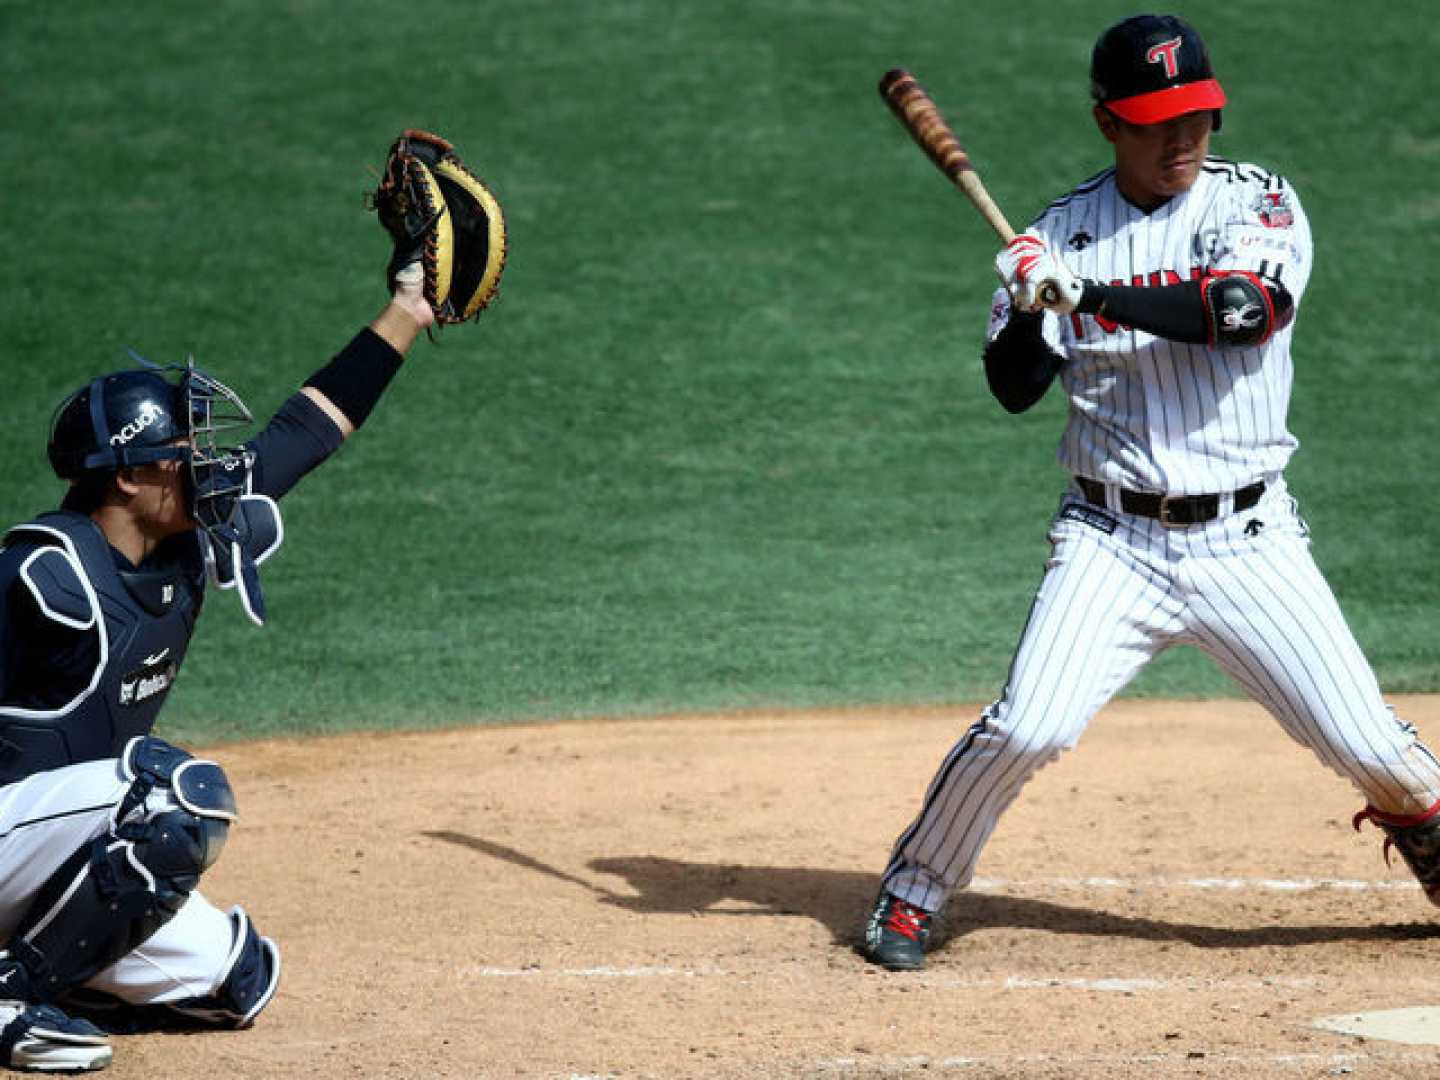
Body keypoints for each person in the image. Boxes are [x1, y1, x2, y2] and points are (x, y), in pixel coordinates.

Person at [862, 13, 1440, 972]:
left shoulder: (1254, 201)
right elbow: (1012, 392)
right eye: (1155, 121)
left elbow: (1246, 312)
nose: (1182, 140)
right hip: (1109, 540)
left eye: (1197, 118)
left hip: (1248, 540)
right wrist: (1028, 312)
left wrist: (1084, 295)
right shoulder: (1054, 236)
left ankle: (1429, 831)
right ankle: (915, 887)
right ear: (1107, 124)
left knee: (1363, 738)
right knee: (1028, 724)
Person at [0, 252, 437, 1069]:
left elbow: (305, 432)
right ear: (129, 477)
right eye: (182, 448)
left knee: (237, 982)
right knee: (170, 796)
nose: (204, 460)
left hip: (58, 845)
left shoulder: (191, 530)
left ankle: (52, 973)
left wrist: (407, 312)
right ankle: (10, 996)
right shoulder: (40, 576)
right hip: (9, 829)